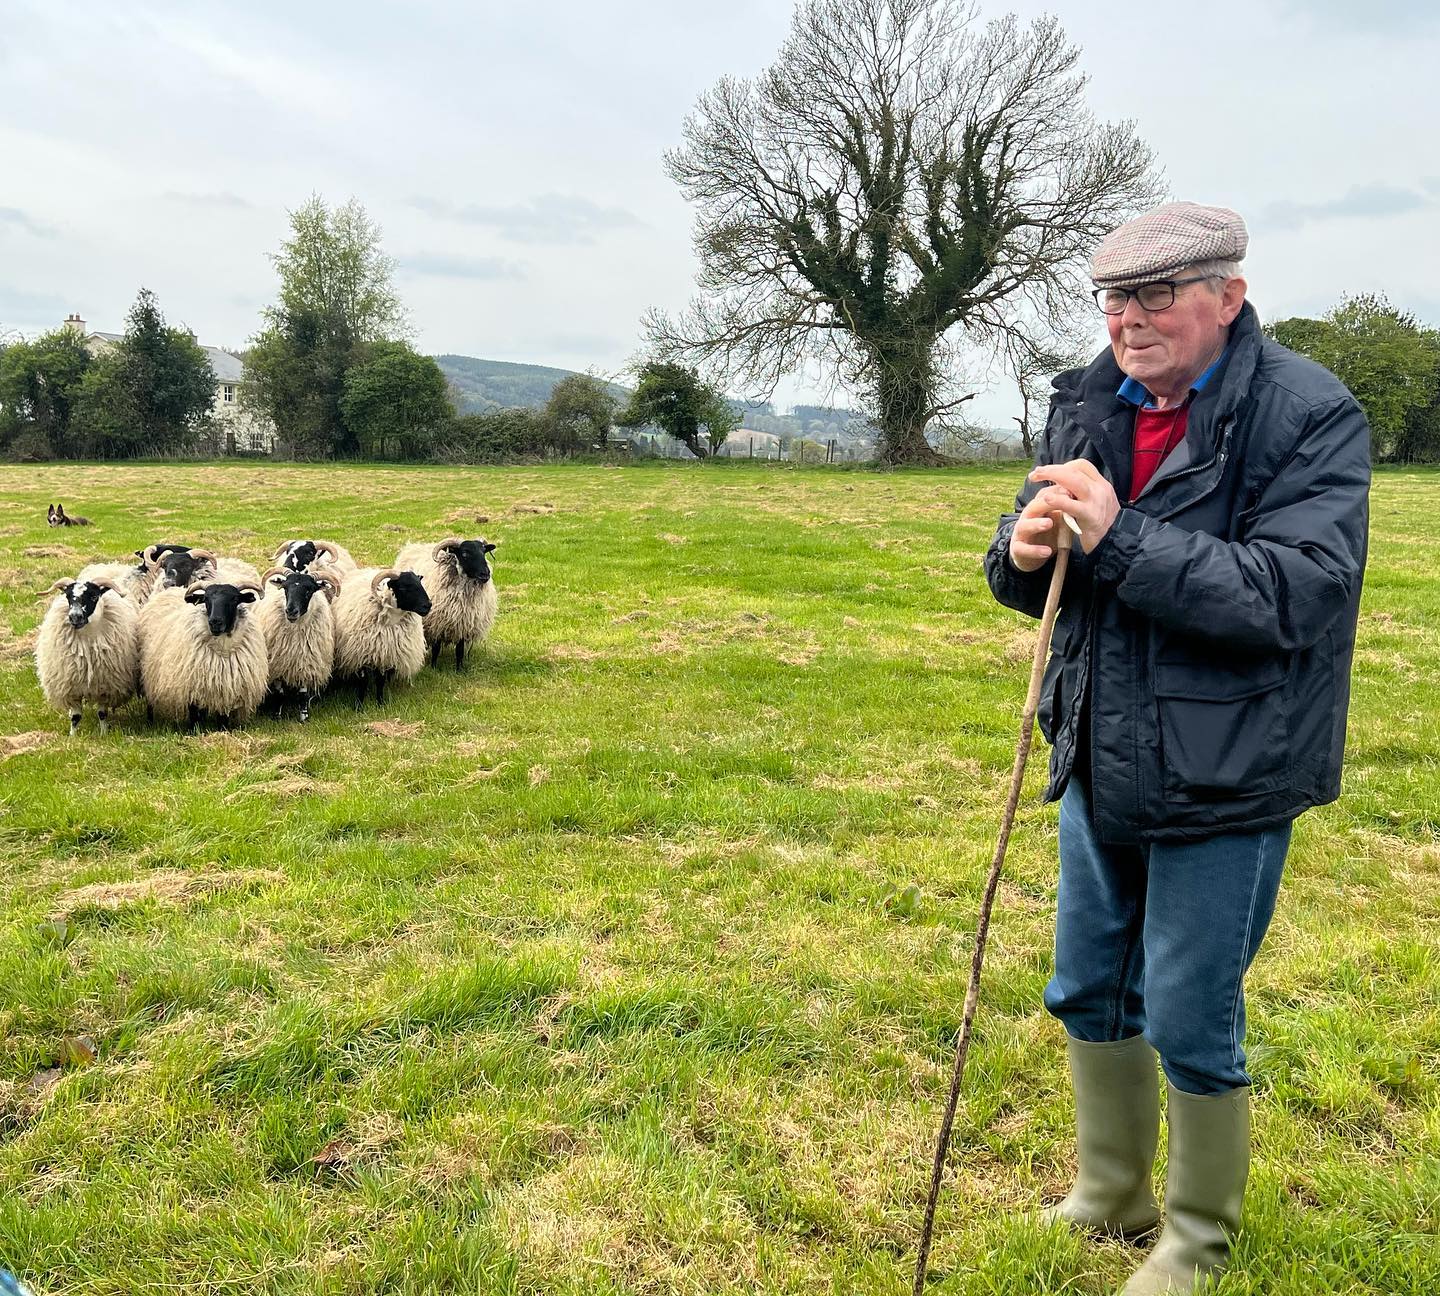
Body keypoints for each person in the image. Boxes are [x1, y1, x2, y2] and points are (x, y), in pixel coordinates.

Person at [984, 202, 1370, 1294]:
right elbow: (1049, 576)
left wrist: (1123, 536)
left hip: (1231, 763)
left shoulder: (1307, 413)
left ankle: (1197, 1238)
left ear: (1228, 298)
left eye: (1158, 295)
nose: (1129, 321)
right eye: (1115, 299)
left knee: (1193, 1002)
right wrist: (1020, 556)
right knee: (1089, 980)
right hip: (1100, 749)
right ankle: (1113, 1191)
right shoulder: (1085, 400)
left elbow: (1298, 594)